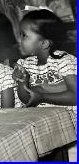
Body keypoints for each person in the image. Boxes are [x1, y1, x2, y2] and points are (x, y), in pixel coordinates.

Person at [12, 9, 77, 162]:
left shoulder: (63, 61)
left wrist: (42, 96)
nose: (19, 40)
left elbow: (75, 96)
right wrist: (23, 81)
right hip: (42, 120)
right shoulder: (25, 64)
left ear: (44, 43)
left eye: (24, 35)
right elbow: (25, 99)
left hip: (68, 119)